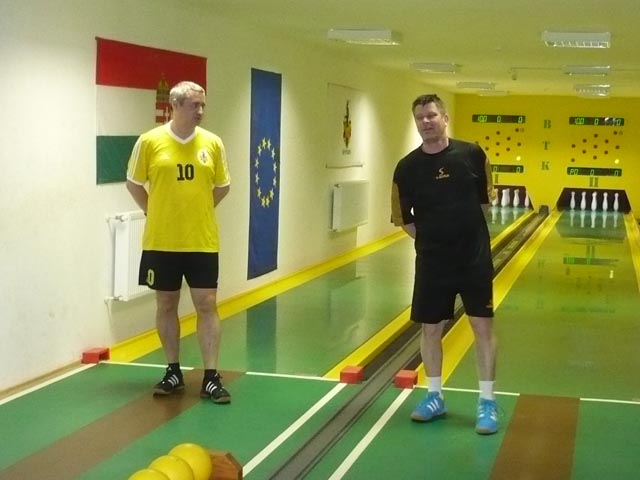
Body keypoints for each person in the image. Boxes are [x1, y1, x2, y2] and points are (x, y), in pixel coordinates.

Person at [391, 94, 498, 434]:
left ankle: (487, 402)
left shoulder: (472, 154)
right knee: (430, 329)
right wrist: (433, 241)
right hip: (433, 261)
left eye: (432, 115)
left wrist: (462, 236)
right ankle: (434, 396)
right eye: (420, 117)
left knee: (482, 327)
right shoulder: (407, 168)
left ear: (445, 118)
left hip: (473, 258)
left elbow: (485, 204)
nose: (426, 121)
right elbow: (404, 219)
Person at [126, 80, 231, 404]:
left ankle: (211, 377)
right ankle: (173, 371)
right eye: (194, 105)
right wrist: (155, 211)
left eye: (203, 105)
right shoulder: (149, 141)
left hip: (201, 242)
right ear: (175, 105)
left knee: (207, 304)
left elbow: (223, 186)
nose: (200, 111)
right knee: (166, 304)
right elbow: (133, 183)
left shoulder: (213, 143)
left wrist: (199, 211)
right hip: (161, 242)